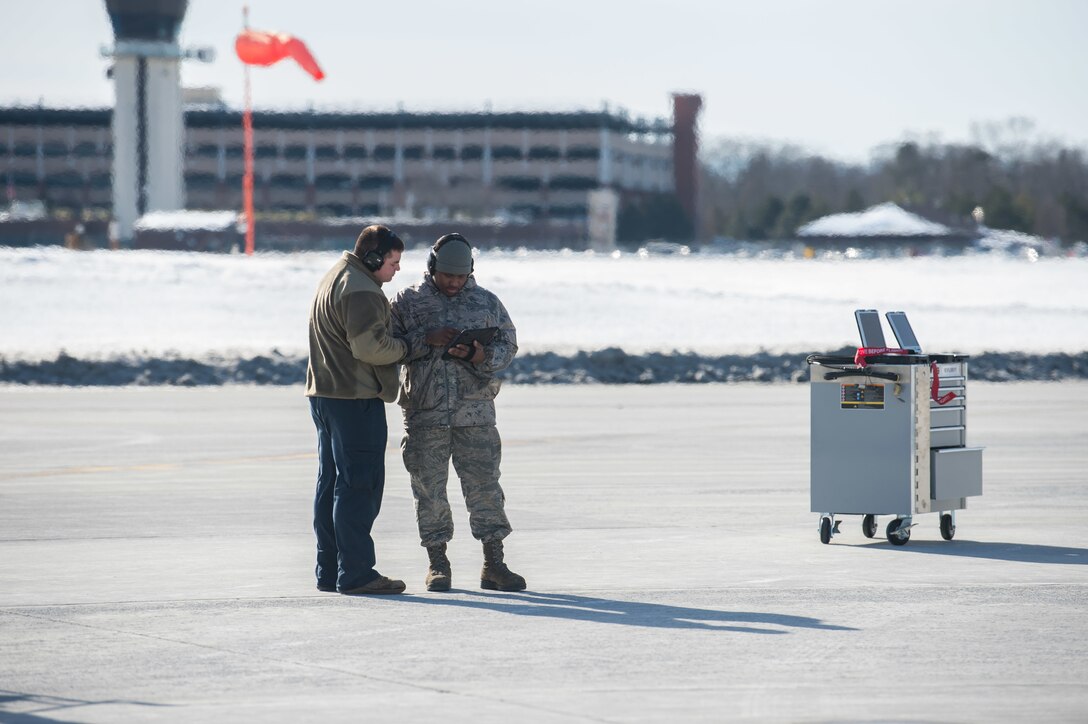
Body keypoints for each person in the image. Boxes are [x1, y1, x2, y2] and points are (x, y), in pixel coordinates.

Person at [390, 233, 526, 592]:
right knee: (429, 490)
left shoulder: (486, 302)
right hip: (426, 414)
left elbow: (508, 344)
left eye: (460, 277)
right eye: (447, 276)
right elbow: (389, 346)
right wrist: (426, 340)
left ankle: (494, 563)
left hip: (475, 414)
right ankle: (438, 563)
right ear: (432, 268)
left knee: (485, 488)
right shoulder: (409, 302)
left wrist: (481, 357)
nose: (453, 283)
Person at [306, 224, 408, 595]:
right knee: (358, 486)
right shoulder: (363, 290)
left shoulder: (335, 276)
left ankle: (329, 569)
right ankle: (357, 572)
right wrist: (407, 347)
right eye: (394, 262)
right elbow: (370, 348)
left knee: (330, 483)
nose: (396, 270)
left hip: (325, 396)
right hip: (354, 399)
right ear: (374, 259)